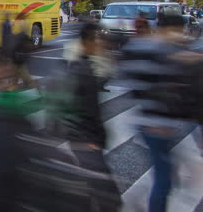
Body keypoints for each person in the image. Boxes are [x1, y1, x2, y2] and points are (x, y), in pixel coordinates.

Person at [121, 13, 203, 212]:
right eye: (177, 30)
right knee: (164, 179)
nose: (180, 34)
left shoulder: (150, 47)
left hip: (160, 122)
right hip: (154, 125)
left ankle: (145, 202)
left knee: (167, 175)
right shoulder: (154, 48)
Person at [56, 22, 121, 211]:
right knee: (104, 192)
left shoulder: (80, 64)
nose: (101, 45)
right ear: (89, 41)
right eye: (98, 40)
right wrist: (93, 138)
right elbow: (87, 109)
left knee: (94, 186)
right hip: (85, 136)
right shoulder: (83, 71)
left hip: (80, 134)